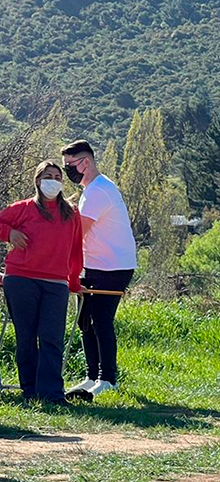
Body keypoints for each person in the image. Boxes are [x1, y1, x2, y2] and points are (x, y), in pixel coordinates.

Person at [0, 161, 83, 404]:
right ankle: (30, 391)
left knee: (52, 338)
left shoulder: (71, 213)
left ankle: (52, 394)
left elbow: (76, 250)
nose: (53, 181)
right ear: (38, 180)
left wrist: (73, 281)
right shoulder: (23, 208)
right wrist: (9, 233)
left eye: (58, 177)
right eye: (48, 176)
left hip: (56, 283)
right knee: (26, 337)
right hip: (21, 279)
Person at [60, 140, 138, 399]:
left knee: (101, 321)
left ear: (85, 163)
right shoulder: (91, 190)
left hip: (112, 267)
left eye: (70, 165)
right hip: (93, 265)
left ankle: (108, 379)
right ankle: (92, 376)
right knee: (85, 322)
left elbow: (77, 233)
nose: (67, 170)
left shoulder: (99, 191)